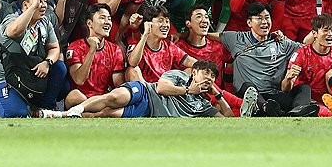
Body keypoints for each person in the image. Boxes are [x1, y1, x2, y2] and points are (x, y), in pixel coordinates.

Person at [0, 0, 70, 118]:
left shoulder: (44, 22)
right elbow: (14, 32)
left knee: (59, 68)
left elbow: (54, 47)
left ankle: (45, 107)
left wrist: (47, 63)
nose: (43, 5)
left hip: (25, 72)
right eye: (38, 2)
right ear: (25, 5)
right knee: (16, 113)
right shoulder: (11, 19)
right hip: (1, 76)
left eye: (45, 1)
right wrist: (33, 7)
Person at [221, 2, 318, 118]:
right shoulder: (236, 39)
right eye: (259, 18)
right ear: (249, 22)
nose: (264, 22)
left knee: (304, 88)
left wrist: (319, 32)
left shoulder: (281, 43)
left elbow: (305, 48)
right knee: (248, 87)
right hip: (249, 97)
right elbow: (207, 35)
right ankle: (264, 108)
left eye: (267, 18)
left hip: (274, 96)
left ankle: (296, 112)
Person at [55, 61, 231, 118]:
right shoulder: (180, 76)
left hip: (148, 110)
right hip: (146, 91)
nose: (209, 78)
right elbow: (161, 87)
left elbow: (227, 119)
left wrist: (218, 94)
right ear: (194, 72)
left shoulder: (203, 104)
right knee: (114, 98)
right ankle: (65, 113)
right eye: (205, 73)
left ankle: (73, 114)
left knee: (106, 114)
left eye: (212, 76)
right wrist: (187, 90)